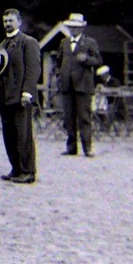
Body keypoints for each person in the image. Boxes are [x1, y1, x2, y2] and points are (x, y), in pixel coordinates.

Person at [0, 8, 41, 184]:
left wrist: (27, 92)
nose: (7, 24)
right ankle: (16, 168)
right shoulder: (1, 46)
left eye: (11, 20)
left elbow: (33, 70)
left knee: (23, 134)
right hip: (5, 96)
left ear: (19, 22)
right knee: (9, 134)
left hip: (20, 96)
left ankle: (28, 171)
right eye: (5, 21)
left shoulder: (28, 42)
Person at [56, 12, 103, 157]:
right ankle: (71, 148)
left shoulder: (90, 42)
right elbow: (59, 61)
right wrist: (60, 75)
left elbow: (99, 61)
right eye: (71, 27)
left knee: (84, 117)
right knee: (69, 118)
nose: (73, 30)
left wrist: (87, 59)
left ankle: (87, 148)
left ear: (82, 28)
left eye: (76, 27)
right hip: (67, 85)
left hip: (83, 85)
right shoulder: (64, 43)